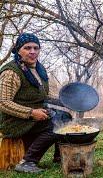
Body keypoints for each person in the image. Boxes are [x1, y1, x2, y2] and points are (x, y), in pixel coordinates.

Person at [0, 33, 61, 173]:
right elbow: (3, 102)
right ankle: (27, 162)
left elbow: (46, 95)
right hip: (15, 120)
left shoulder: (39, 69)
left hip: (35, 115)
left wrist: (64, 101)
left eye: (36, 48)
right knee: (56, 125)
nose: (32, 52)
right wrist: (31, 112)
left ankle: (59, 156)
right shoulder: (11, 72)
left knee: (64, 117)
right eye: (27, 48)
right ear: (18, 50)